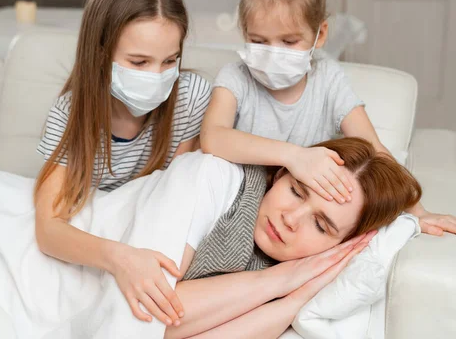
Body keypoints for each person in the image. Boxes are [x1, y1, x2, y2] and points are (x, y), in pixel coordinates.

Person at [200, 0, 456, 236]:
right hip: (236, 208)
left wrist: (418, 212)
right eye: (259, 41)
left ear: (320, 34)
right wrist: (294, 157)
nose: (273, 53)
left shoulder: (328, 79)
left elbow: (374, 148)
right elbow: (213, 137)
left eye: (288, 42)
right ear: (244, 31)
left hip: (299, 224)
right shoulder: (235, 77)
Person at [34, 0, 211, 328]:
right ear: (100, 53)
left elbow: (177, 196)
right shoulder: (69, 116)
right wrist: (121, 259)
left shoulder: (190, 98)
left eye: (169, 60)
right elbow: (49, 229)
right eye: (139, 62)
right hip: (99, 248)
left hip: (150, 237)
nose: (158, 75)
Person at [164, 137, 421, 338]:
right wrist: (280, 280)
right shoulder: (221, 183)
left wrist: (298, 296)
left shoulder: (304, 273)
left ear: (340, 245)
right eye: (296, 192)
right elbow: (151, 320)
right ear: (280, 174)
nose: (290, 218)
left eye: (321, 225)